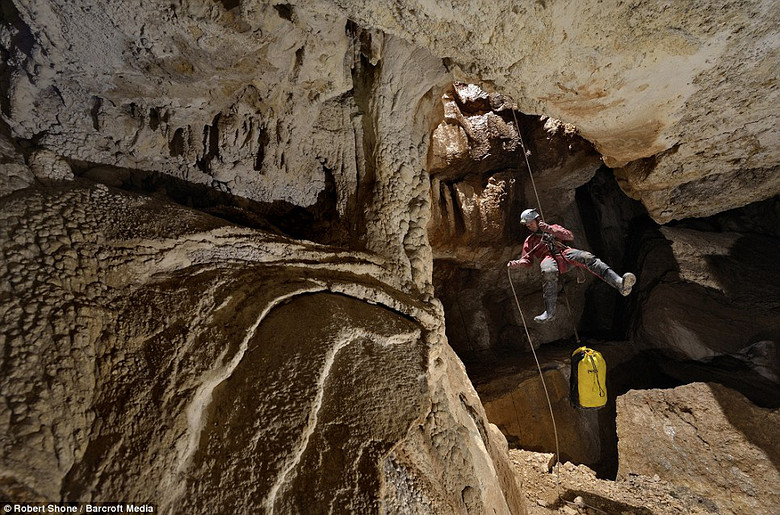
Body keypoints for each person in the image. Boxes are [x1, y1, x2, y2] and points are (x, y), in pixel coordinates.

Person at [507, 208, 636, 323]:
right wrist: (517, 263)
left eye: (530, 222)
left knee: (588, 258)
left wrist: (550, 229)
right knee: (548, 271)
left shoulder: (552, 228)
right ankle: (549, 312)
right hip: (548, 259)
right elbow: (527, 261)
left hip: (564, 253)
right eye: (527, 224)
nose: (529, 225)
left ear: (537, 219)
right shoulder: (530, 241)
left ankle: (619, 283)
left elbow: (569, 236)